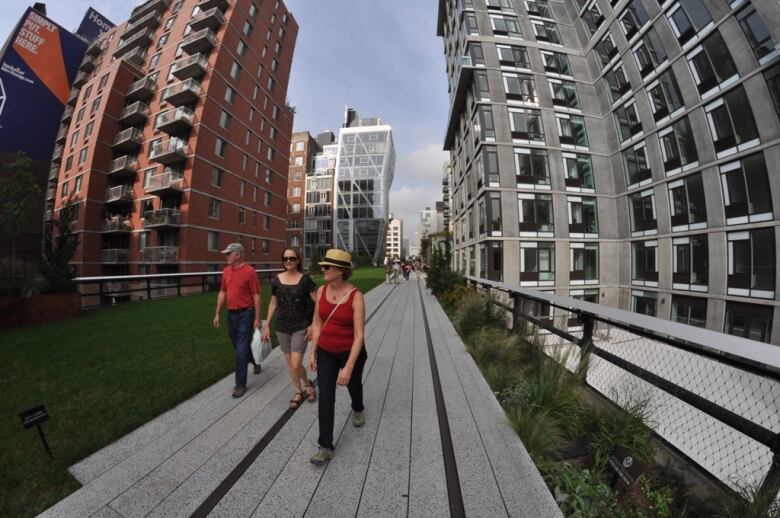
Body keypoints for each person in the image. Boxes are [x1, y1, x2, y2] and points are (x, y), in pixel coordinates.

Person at [308, 248, 367, 465]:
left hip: (350, 352)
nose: (322, 269)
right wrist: (313, 351)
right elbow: (317, 323)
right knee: (326, 398)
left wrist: (349, 366)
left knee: (353, 385)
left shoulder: (356, 296)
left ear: (340, 271)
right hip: (326, 351)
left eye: (327, 267)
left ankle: (358, 408)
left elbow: (359, 335)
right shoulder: (322, 291)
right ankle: (325, 446)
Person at [263, 247, 318, 408]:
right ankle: (299, 389)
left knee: (295, 363)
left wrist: (313, 325)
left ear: (298, 260)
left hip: (301, 326)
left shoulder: (305, 280)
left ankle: (306, 383)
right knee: (290, 362)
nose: (288, 261)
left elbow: (319, 303)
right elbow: (273, 303)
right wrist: (267, 325)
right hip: (282, 326)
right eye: (285, 258)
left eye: (292, 258)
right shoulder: (276, 279)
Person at [212, 243, 262, 398]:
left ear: (238, 255)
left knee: (240, 349)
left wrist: (258, 318)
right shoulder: (226, 271)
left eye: (229, 254)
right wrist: (217, 313)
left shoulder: (250, 272)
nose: (226, 256)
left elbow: (256, 296)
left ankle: (240, 385)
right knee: (238, 346)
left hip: (246, 314)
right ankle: (255, 361)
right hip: (231, 314)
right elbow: (222, 292)